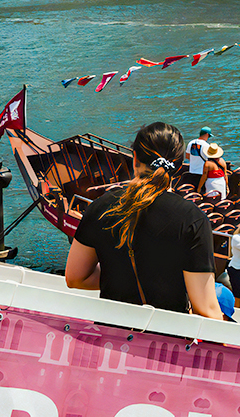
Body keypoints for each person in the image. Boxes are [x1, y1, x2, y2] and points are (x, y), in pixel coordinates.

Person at [66, 122, 221, 317]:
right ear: (179, 166)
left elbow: (75, 278)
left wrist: (117, 275)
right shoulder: (192, 218)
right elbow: (206, 308)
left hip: (109, 336)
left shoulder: (100, 207)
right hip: (166, 341)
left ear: (135, 158)